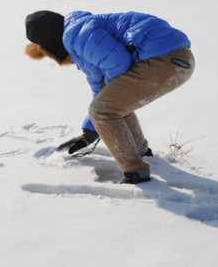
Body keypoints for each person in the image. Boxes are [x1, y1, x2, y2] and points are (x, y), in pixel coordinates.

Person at [24, 10, 194, 184]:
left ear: (50, 42)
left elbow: (119, 64)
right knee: (112, 106)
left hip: (163, 60)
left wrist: (102, 113)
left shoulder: (77, 35)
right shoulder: (80, 35)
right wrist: (90, 131)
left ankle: (135, 173)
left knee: (105, 109)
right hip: (175, 59)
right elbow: (101, 89)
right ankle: (142, 153)